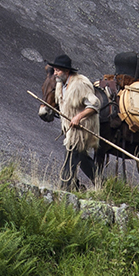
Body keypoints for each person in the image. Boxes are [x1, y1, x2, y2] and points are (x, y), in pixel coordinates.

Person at [39, 54, 100, 190]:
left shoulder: (80, 84)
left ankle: (66, 187)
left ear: (67, 71)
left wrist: (79, 117)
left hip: (82, 129)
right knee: (82, 159)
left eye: (58, 70)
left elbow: (95, 104)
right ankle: (103, 185)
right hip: (71, 130)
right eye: (54, 70)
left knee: (71, 157)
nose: (55, 73)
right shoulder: (61, 84)